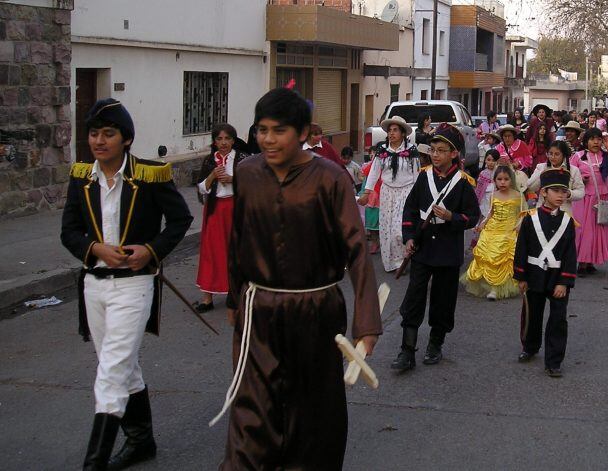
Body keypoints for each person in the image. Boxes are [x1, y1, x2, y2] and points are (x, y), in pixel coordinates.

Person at [218, 87, 381, 469]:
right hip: (259, 312)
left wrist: (367, 323)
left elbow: (357, 249)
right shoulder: (247, 173)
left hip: (316, 310)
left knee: (312, 416)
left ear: (303, 132)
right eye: (261, 130)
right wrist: (233, 298)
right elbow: (239, 239)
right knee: (252, 410)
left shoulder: (330, 178)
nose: (268, 140)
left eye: (279, 131)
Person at [60, 99, 193, 470]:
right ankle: (141, 440)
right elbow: (68, 231)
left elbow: (181, 219)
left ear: (127, 139)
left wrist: (150, 250)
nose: (99, 141)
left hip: (135, 285)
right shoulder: (82, 178)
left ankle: (94, 462)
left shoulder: (150, 175)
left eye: (109, 134)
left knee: (111, 372)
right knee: (120, 365)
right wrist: (94, 247)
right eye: (94, 133)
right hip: (94, 285)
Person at [392, 123, 480, 370]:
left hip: (448, 252)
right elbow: (410, 209)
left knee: (443, 301)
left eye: (441, 150)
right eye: (433, 149)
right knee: (414, 298)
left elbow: (473, 217)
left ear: (454, 153)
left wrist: (452, 217)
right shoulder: (424, 176)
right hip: (422, 250)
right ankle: (407, 351)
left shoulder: (463, 182)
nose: (435, 154)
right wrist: (409, 236)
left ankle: (435, 344)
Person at [514, 168, 578, 378]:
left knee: (558, 318)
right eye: (556, 191)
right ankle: (530, 347)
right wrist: (521, 276)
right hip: (534, 274)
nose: (561, 196)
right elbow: (521, 248)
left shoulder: (568, 221)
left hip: (557, 277)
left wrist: (564, 282)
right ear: (543, 192)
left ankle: (554, 360)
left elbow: (570, 253)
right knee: (533, 314)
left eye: (564, 192)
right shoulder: (530, 218)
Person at [195, 123, 247, 316]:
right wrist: (212, 176)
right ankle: (207, 296)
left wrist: (233, 180)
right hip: (215, 210)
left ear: (233, 140)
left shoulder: (242, 159)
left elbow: (254, 182)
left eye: (227, 139)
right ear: (214, 141)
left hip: (236, 209)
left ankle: (237, 292)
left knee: (236, 250)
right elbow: (201, 188)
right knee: (211, 252)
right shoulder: (210, 160)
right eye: (219, 139)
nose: (223, 143)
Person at [358, 116, 420, 272]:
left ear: (403, 133)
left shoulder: (411, 150)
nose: (391, 134)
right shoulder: (382, 151)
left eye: (395, 130)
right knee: (386, 228)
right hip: (387, 192)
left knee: (399, 228)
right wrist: (366, 193)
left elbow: (416, 175)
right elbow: (374, 173)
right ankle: (391, 262)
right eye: (390, 130)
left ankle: (401, 261)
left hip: (406, 192)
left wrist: (418, 197)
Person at [462, 164, 527, 300]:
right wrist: (482, 223)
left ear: (511, 179)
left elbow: (523, 213)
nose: (502, 182)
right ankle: (490, 285)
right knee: (488, 255)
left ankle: (497, 289)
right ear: (495, 180)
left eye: (506, 179)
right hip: (493, 228)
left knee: (503, 258)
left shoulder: (518, 195)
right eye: (499, 179)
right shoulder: (493, 194)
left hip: (509, 230)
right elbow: (490, 212)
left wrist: (519, 225)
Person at [569, 128, 608, 274]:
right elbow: (569, 174)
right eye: (592, 139)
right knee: (584, 231)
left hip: (603, 197)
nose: (596, 142)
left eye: (598, 139)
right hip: (584, 198)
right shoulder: (578, 156)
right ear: (586, 141)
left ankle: (591, 261)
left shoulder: (605, 155)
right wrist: (580, 179)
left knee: (599, 231)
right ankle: (582, 262)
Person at [527, 141, 585, 215]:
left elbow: (581, 192)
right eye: (550, 154)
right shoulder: (541, 167)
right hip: (543, 210)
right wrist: (541, 174)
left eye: (557, 154)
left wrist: (568, 193)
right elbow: (531, 187)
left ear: (563, 155)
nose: (553, 157)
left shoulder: (573, 170)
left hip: (564, 212)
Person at [360, 157, 381, 254]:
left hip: (384, 197)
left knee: (383, 224)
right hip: (371, 197)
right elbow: (365, 180)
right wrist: (363, 193)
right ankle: (374, 243)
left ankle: (384, 244)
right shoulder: (370, 166)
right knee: (371, 224)